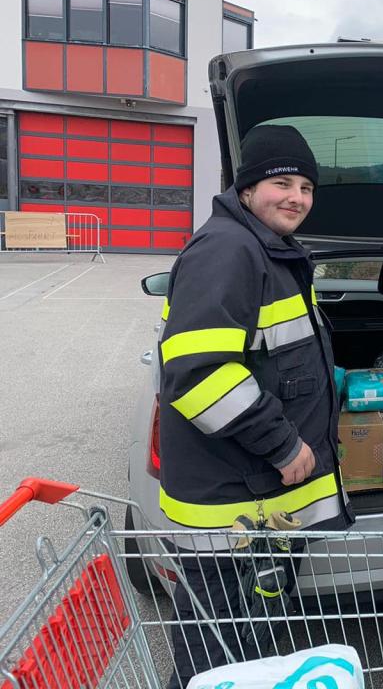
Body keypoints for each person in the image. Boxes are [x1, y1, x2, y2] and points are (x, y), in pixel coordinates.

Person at [158, 124, 354, 687]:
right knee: (213, 654)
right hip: (229, 509)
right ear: (247, 189)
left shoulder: (269, 250)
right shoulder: (228, 250)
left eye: (306, 188)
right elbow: (200, 374)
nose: (297, 198)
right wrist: (283, 443)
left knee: (244, 647)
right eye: (282, 183)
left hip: (258, 503)